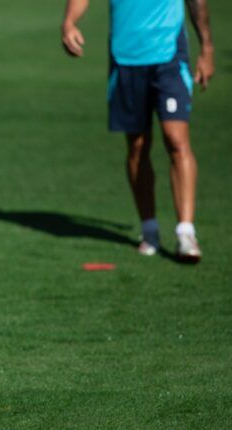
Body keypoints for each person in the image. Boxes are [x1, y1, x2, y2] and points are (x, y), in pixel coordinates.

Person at [61, 0, 214, 263]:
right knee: (137, 145)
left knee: (176, 139)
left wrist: (207, 47)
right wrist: (69, 22)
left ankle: (186, 232)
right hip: (126, 55)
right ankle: (150, 229)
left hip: (168, 52)